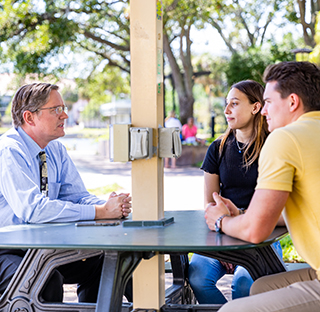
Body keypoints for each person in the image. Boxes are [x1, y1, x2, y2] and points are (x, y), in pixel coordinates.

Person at [0, 83, 132, 302]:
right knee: (44, 282)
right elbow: (33, 210)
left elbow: (77, 196)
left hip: (41, 248)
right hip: (7, 249)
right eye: (56, 110)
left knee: (107, 262)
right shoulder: (9, 151)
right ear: (29, 117)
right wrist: (100, 211)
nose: (65, 115)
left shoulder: (55, 149)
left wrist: (110, 204)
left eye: (63, 108)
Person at [205, 61, 320, 312]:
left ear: (292, 102)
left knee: (231, 311)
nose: (264, 111)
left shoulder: (286, 137)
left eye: (268, 102)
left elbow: (256, 231)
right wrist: (245, 217)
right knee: (260, 288)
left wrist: (221, 221)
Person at [188, 80, 282, 304]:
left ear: (255, 107)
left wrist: (238, 221)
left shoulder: (274, 147)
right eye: (226, 104)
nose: (227, 110)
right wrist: (227, 240)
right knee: (197, 277)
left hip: (263, 237)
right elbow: (210, 205)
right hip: (222, 234)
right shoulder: (217, 148)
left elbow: (280, 211)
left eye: (235, 103)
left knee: (243, 282)